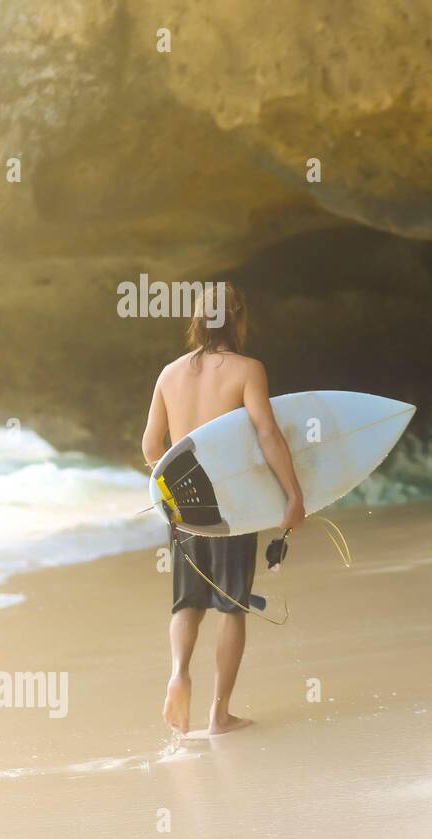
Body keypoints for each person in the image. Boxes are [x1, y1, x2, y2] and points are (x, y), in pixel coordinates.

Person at [142, 282, 305, 734]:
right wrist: (293, 494)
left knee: (187, 602)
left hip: (185, 510)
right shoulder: (248, 369)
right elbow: (268, 434)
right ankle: (219, 713)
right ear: (238, 318)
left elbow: (151, 446)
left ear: (197, 318)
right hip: (231, 505)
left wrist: (173, 489)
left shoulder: (169, 374)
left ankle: (178, 673)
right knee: (231, 606)